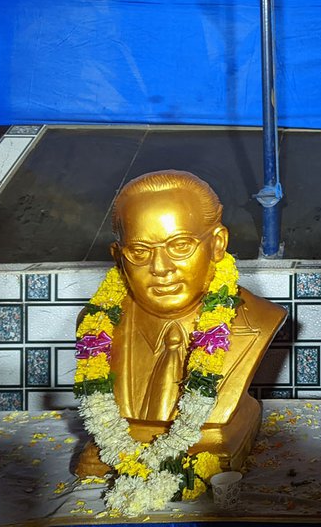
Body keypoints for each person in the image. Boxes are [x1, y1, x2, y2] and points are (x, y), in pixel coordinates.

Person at [75, 170, 287, 477]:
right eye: (139, 252)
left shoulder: (261, 318)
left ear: (217, 245)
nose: (161, 268)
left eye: (179, 246)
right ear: (118, 258)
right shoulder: (96, 328)